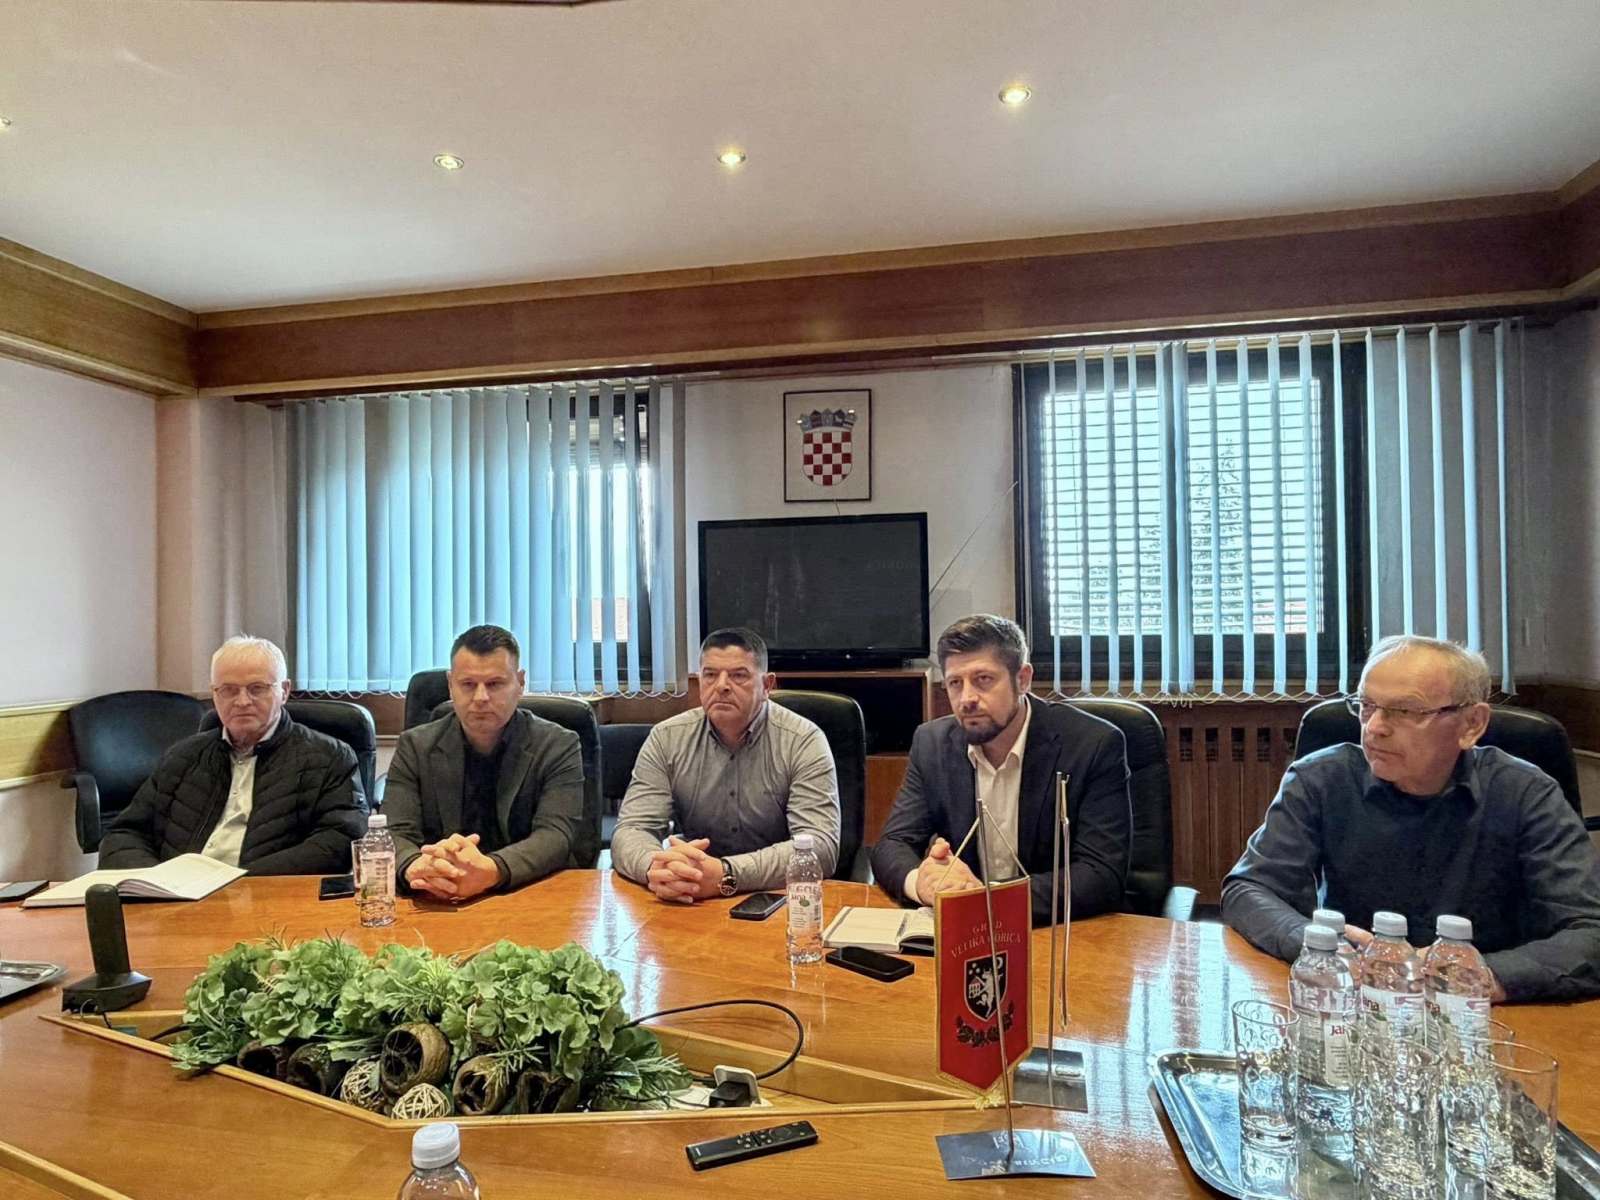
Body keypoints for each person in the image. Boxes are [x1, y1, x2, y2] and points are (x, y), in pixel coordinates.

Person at [1222, 634, 1600, 1002]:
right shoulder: (1321, 778)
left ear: (1471, 724)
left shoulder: (1526, 793)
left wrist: (1486, 975)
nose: (1375, 727)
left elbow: (1590, 930)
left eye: (1404, 711)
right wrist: (1313, 941)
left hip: (1488, 1012)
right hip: (1357, 1000)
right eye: (1366, 705)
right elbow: (1249, 890)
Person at [870, 614, 1132, 924]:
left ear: (1022, 679)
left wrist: (983, 899)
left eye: (983, 679)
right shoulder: (932, 744)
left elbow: (1100, 874)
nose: (967, 699)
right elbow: (892, 844)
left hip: (1059, 931)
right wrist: (924, 884)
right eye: (955, 683)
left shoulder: (1093, 744)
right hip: (967, 933)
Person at [99, 636, 366, 873]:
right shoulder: (183, 757)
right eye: (228, 690)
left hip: (264, 896)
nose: (242, 701)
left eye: (257, 688)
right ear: (214, 694)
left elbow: (339, 841)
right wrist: (156, 880)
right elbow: (125, 834)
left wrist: (239, 881)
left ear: (284, 691)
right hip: (177, 898)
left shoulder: (328, 758)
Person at [611, 627, 840, 902]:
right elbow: (632, 830)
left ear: (767, 686)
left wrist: (726, 874)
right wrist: (656, 868)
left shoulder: (803, 740)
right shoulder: (666, 738)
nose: (721, 686)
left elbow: (820, 847)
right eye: (710, 675)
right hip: (692, 895)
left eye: (738, 675)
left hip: (778, 897)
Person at [384, 624, 585, 900]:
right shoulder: (415, 746)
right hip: (438, 894)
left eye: (495, 684)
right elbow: (394, 832)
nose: (480, 697)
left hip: (527, 893)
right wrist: (415, 866)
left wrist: (490, 871)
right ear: (450, 685)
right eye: (468, 684)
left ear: (520, 683)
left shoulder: (558, 745)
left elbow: (555, 835)